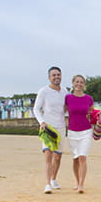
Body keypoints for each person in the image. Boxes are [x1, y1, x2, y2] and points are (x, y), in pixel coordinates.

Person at [33, 66, 68, 194]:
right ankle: (47, 184)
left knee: (58, 157)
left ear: (61, 76)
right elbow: (36, 109)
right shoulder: (44, 91)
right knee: (48, 155)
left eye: (58, 74)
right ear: (49, 77)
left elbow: (67, 107)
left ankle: (54, 179)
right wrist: (41, 122)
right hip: (48, 127)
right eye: (53, 75)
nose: (56, 77)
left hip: (61, 127)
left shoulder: (65, 91)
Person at [65, 75, 94, 193]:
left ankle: (81, 184)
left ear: (84, 85)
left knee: (83, 156)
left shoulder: (88, 98)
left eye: (81, 82)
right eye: (77, 82)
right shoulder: (68, 98)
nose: (79, 84)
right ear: (73, 83)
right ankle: (77, 182)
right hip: (72, 131)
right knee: (75, 158)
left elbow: (92, 113)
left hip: (86, 131)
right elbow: (62, 111)